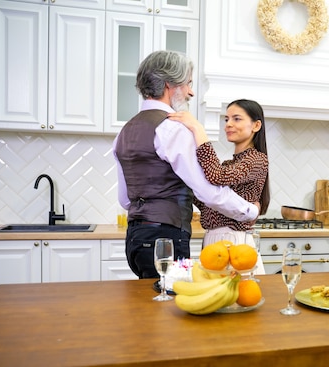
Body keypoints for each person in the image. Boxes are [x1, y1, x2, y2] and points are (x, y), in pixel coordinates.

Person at [113, 50, 259, 279]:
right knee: (170, 309)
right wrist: (249, 211)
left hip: (135, 239)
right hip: (165, 239)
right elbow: (207, 190)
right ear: (170, 84)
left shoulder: (125, 130)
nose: (191, 92)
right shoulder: (172, 129)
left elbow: (124, 199)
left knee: (149, 309)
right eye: (188, 83)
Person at [168, 99, 270, 274]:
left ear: (256, 125)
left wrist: (197, 129)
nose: (228, 124)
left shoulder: (257, 159)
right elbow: (207, 200)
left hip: (234, 243)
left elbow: (216, 175)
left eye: (236, 119)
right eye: (226, 119)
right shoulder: (230, 163)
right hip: (216, 242)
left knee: (236, 297)